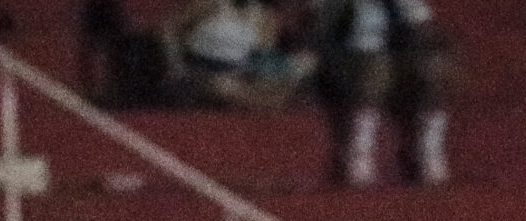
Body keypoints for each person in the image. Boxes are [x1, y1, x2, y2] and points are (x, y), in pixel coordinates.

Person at [321, 0, 452, 187]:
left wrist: (428, 56)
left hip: (391, 59)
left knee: (432, 70)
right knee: (376, 70)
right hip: (347, 60)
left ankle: (429, 150)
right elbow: (360, 41)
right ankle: (360, 152)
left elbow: (423, 25)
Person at [168, 0, 314, 110]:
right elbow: (170, 31)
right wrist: (176, 64)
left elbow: (260, 61)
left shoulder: (263, 16)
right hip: (199, 72)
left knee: (291, 77)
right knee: (224, 87)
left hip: (239, 76)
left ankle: (257, 107)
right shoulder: (211, 3)